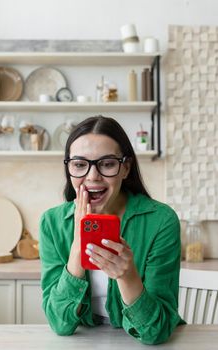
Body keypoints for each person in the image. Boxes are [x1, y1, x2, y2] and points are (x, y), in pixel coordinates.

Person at [39, 116, 183, 345]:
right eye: (79, 164)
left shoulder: (161, 221)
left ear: (125, 168)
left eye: (107, 164)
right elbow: (59, 323)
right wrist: (77, 247)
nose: (92, 176)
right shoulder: (51, 223)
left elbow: (156, 331)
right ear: (69, 169)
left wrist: (127, 276)